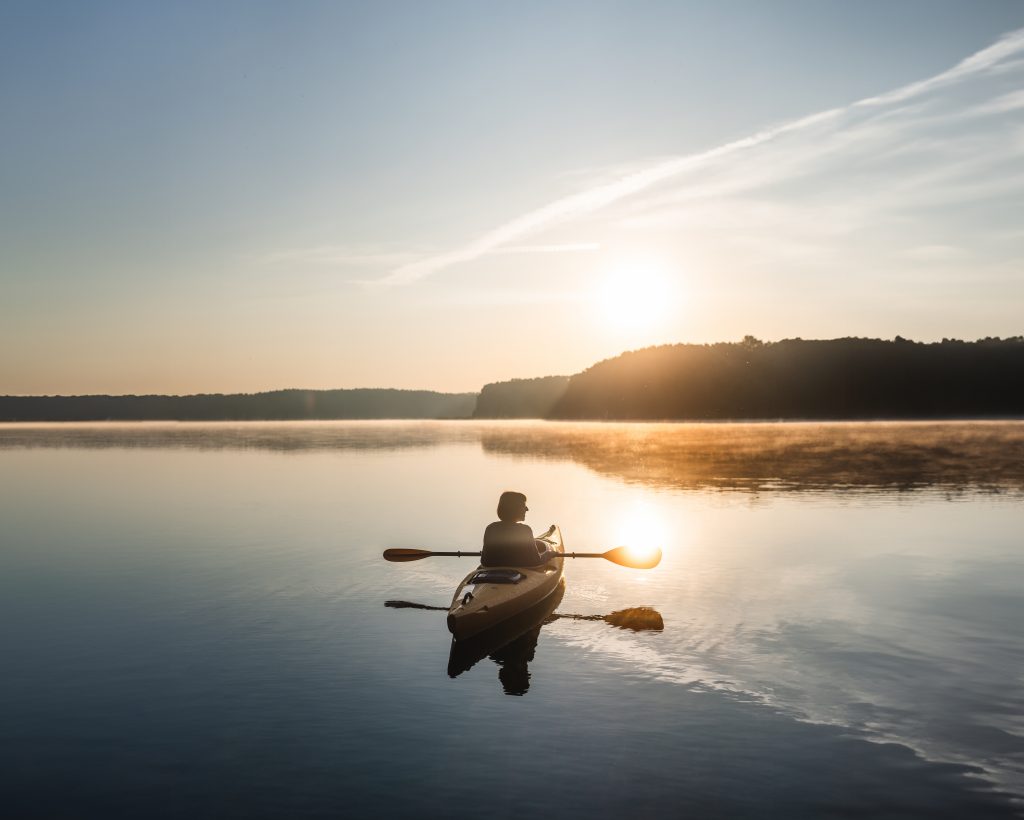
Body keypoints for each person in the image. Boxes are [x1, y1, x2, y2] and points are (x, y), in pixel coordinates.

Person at [481, 491, 553, 568]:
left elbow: (485, 562)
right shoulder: (525, 530)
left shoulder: (491, 528)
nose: (527, 509)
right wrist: (548, 554)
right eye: (523, 506)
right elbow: (535, 561)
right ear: (514, 508)